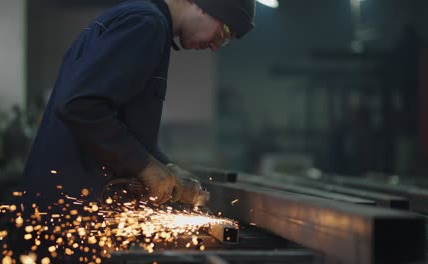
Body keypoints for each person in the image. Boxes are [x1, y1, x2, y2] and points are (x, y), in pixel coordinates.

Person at [22, 0, 256, 206]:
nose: (216, 45)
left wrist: (166, 167)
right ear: (204, 4)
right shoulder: (146, 24)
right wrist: (146, 166)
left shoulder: (145, 22)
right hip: (68, 204)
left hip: (72, 199)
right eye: (224, 33)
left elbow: (122, 123)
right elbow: (81, 106)